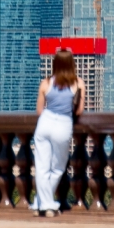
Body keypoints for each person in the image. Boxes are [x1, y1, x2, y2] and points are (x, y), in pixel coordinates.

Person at [29, 49, 85, 218]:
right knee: (58, 167)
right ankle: (47, 206)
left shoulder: (46, 83)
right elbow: (79, 111)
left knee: (42, 167)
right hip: (63, 124)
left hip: (45, 123)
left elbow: (39, 110)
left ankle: (40, 204)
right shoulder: (78, 83)